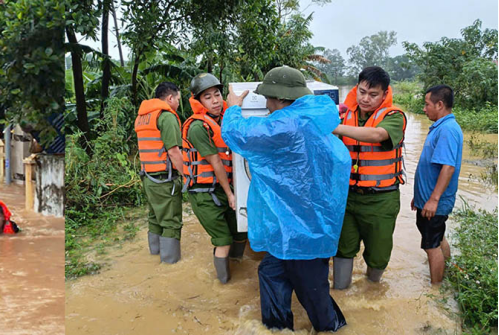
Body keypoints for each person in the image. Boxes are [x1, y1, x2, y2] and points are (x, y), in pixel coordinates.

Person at [221, 66, 349, 332]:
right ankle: (278, 328)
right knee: (270, 272)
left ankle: (332, 328)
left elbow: (238, 134)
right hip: (295, 225)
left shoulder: (286, 123)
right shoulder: (310, 117)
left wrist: (233, 107)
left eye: (268, 98)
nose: (266, 104)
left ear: (279, 98)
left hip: (306, 233)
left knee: (312, 292)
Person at [331, 66, 407, 288]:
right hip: (347, 196)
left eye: (373, 95)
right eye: (362, 92)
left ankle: (372, 290)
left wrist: (336, 127)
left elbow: (377, 135)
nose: (365, 99)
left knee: (378, 254)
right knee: (342, 248)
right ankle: (341, 293)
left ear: (385, 94)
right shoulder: (344, 114)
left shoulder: (394, 117)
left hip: (380, 199)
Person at [182, 73, 245, 283]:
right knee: (224, 240)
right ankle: (224, 285)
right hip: (204, 193)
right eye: (207, 97)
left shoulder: (226, 117)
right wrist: (230, 194)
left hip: (223, 187)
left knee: (240, 233)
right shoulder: (198, 127)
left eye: (217, 94)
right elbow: (216, 162)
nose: (215, 100)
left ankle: (238, 268)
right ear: (197, 101)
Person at [412, 85, 461, 284]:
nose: (424, 109)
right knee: (438, 239)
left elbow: (448, 167)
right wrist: (421, 196)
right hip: (429, 199)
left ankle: (436, 289)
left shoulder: (447, 130)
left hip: (435, 202)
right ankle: (445, 270)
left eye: (427, 104)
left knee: (431, 246)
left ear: (440, 105)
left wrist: (433, 200)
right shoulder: (441, 127)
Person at [135, 82, 184, 264]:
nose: (179, 104)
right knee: (171, 222)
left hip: (148, 177)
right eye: (178, 100)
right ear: (170, 98)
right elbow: (173, 151)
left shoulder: (143, 117)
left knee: (155, 218)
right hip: (164, 179)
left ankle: (155, 257)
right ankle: (170, 265)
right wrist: (187, 175)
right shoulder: (166, 117)